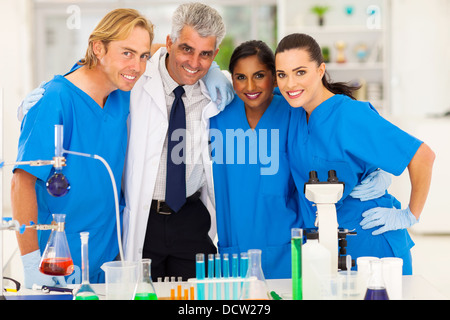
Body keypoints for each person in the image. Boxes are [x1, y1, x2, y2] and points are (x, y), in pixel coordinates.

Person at [11, 8, 154, 288]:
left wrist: (213, 74)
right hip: (59, 260)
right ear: (98, 48)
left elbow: (169, 54)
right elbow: (21, 183)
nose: (137, 66)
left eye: (143, 56)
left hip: (107, 257)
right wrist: (31, 264)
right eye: (127, 53)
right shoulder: (55, 99)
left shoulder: (119, 94)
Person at [274, 33, 435, 274]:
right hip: (325, 247)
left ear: (320, 71)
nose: (290, 84)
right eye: (282, 75)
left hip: (373, 246)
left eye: (300, 72)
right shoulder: (294, 110)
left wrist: (409, 215)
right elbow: (249, 87)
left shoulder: (350, 115)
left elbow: (423, 156)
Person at [122, 2, 229, 280]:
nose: (194, 63)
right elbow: (94, 73)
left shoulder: (220, 89)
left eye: (206, 54)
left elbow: (279, 96)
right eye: (186, 49)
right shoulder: (135, 79)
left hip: (191, 217)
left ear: (216, 54)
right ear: (169, 43)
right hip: (145, 218)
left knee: (198, 297)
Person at [209, 40, 301, 279]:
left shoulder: (293, 113)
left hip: (286, 247)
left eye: (259, 75)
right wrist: (210, 70)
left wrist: (372, 170)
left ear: (274, 76)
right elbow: (173, 57)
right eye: (240, 77)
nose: (250, 86)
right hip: (235, 248)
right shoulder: (217, 114)